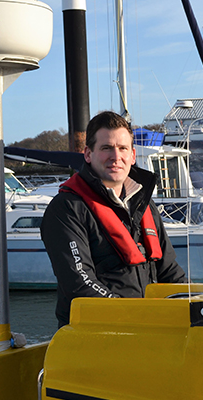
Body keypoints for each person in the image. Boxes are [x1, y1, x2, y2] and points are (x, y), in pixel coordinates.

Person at [41, 111, 186, 327]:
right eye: (106, 148)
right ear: (88, 154)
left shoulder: (144, 204)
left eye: (122, 148)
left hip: (148, 331)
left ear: (133, 155)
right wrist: (133, 318)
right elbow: (80, 283)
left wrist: (193, 302)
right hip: (96, 334)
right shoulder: (67, 209)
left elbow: (168, 270)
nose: (116, 157)